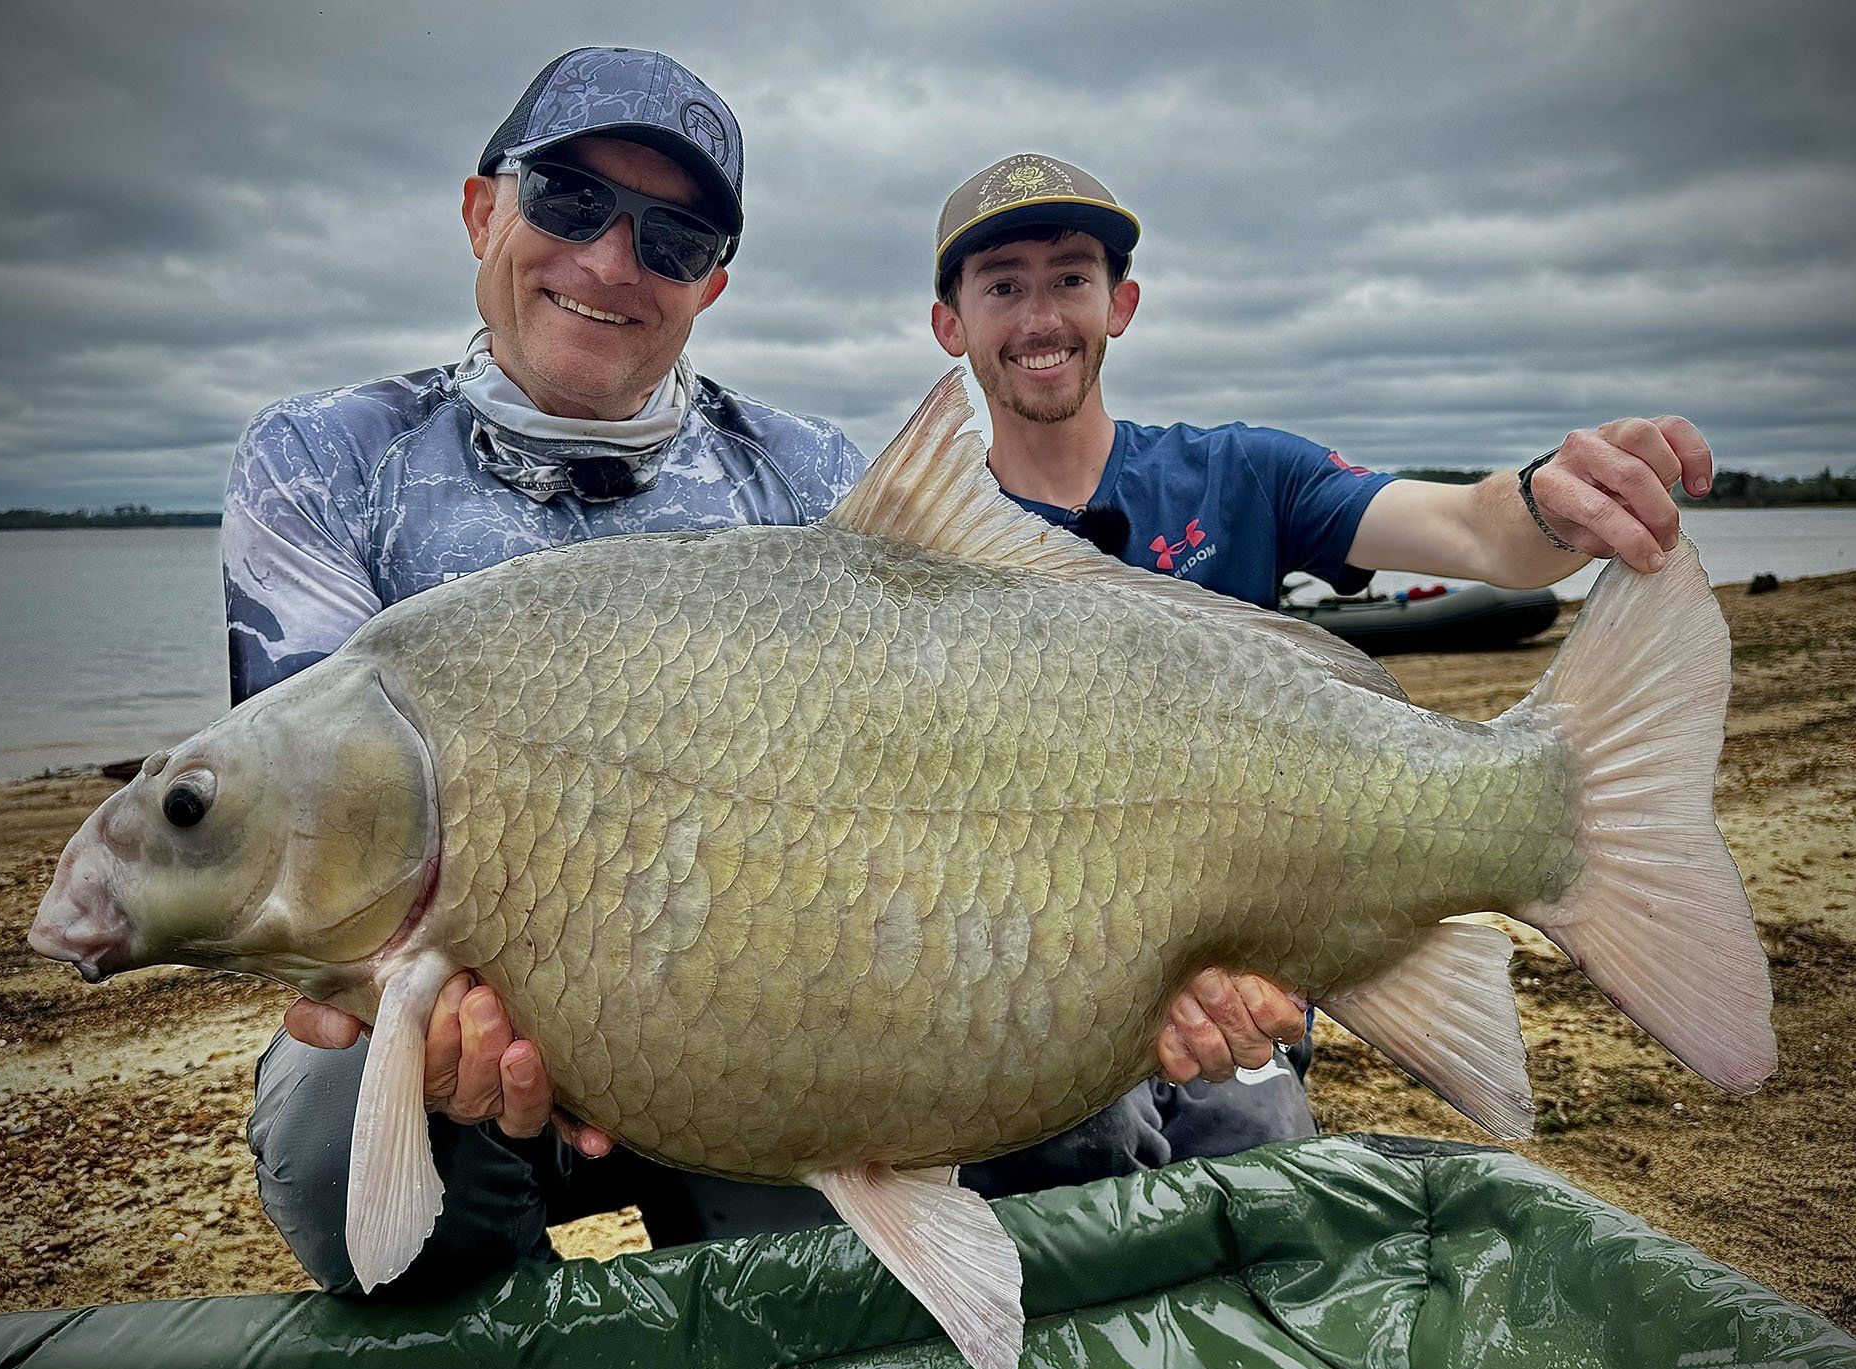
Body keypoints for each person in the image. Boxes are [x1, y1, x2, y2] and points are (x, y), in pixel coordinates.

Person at [239, 56, 1293, 1297]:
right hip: (480, 1036)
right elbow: (303, 810)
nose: (613, 261)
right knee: (332, 1119)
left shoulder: (806, 475)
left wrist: (1150, 952)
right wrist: (383, 1000)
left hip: (763, 1033)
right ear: (484, 211)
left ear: (714, 282)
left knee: (1044, 1133)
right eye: (571, 203)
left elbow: (970, 785)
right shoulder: (323, 458)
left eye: (674, 238)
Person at [926, 152, 1716, 1184]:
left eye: (1070, 278)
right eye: (1002, 286)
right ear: (951, 324)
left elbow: (1472, 534)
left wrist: (1544, 501)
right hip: (1029, 1007)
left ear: (1120, 303)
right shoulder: (926, 553)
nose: (1040, 318)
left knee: (1264, 1172)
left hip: (1250, 978)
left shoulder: (1238, 472)